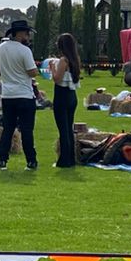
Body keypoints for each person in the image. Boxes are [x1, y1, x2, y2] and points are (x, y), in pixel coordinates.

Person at [0, 19, 41, 170]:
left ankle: (2, 159)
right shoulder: (24, 50)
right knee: (27, 130)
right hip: (24, 94)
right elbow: (32, 71)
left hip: (8, 94)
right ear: (20, 34)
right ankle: (31, 161)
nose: (28, 36)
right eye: (27, 33)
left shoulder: (1, 48)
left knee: (7, 129)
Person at [50, 31, 82, 168]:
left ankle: (64, 160)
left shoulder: (64, 60)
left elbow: (57, 79)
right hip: (72, 96)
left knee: (63, 129)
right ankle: (71, 158)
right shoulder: (75, 59)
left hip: (61, 96)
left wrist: (52, 68)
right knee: (68, 128)